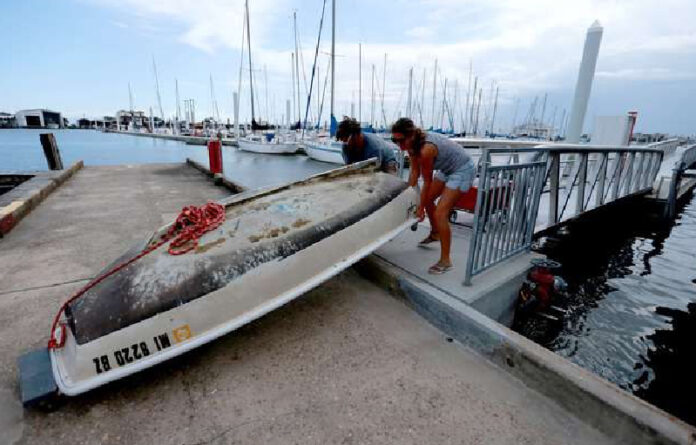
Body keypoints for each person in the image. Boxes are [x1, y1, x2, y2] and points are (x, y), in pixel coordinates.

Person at [390, 117, 476, 274]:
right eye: (395, 141)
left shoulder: (426, 150)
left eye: (401, 141)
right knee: (428, 199)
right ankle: (436, 233)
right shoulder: (411, 146)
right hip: (447, 168)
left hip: (462, 169)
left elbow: (427, 182)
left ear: (411, 135)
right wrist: (407, 196)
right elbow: (414, 174)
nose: (399, 146)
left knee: (440, 213)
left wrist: (420, 209)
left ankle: (446, 260)